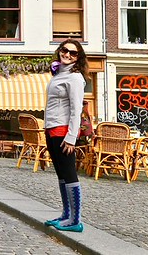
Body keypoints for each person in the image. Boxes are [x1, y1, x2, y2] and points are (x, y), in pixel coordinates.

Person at [43, 39, 87, 233]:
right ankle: (66, 215)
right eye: (64, 50)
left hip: (63, 131)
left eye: (73, 53)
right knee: (61, 174)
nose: (67, 54)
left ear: (78, 57)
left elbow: (76, 109)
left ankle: (75, 220)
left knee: (69, 173)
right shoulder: (59, 73)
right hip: (52, 128)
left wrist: (71, 137)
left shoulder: (75, 78)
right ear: (59, 51)